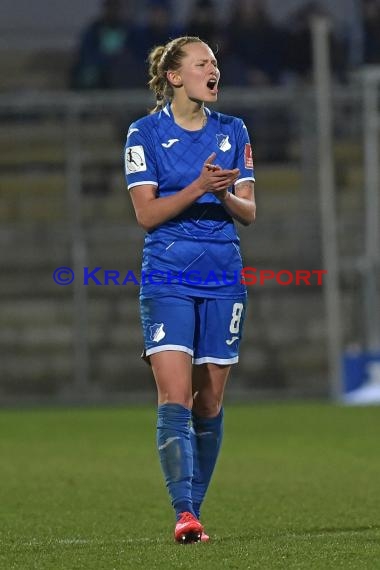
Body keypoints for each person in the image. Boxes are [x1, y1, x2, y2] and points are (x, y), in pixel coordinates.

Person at [123, 36, 256, 543]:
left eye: (216, 63)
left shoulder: (234, 130)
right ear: (175, 77)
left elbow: (249, 212)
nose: (213, 69)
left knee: (209, 402)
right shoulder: (144, 133)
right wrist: (198, 188)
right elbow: (147, 214)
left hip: (223, 277)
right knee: (174, 395)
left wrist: (223, 195)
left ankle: (193, 512)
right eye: (203, 64)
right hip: (168, 276)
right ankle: (184, 512)